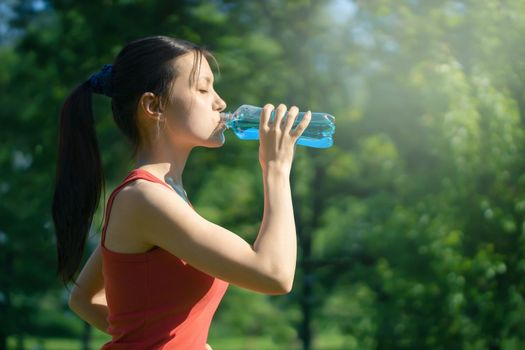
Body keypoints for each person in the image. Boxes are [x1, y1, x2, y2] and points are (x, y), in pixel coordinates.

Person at [51, 35, 311, 349]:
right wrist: (276, 169)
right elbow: (273, 274)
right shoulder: (144, 199)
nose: (220, 102)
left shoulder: (165, 197)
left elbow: (84, 297)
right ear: (154, 105)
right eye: (202, 89)